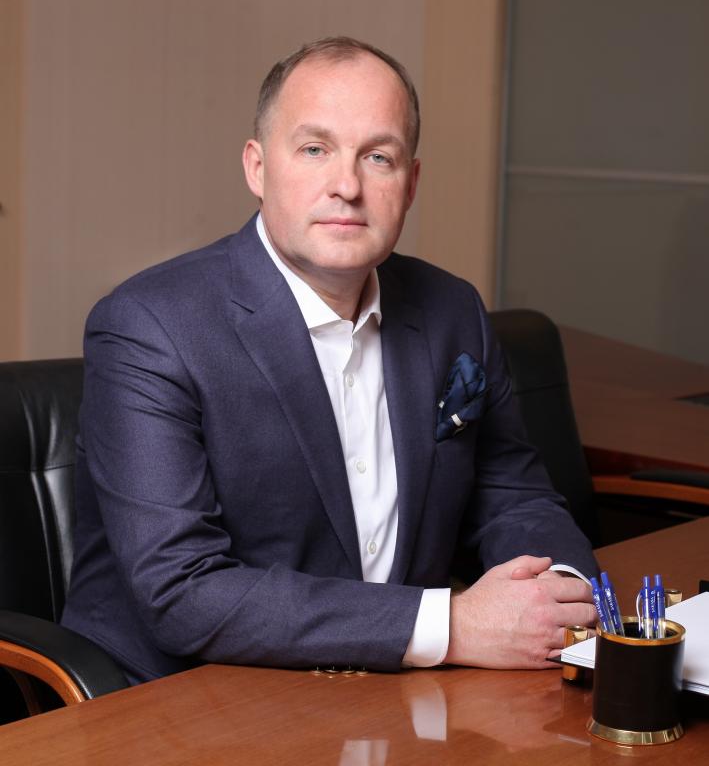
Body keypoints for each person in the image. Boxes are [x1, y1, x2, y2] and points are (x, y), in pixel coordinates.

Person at [61, 36, 598, 685]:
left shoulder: (451, 308)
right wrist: (453, 624)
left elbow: (512, 494)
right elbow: (182, 590)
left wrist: (559, 597)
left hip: (394, 691)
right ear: (257, 167)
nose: (347, 186)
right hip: (184, 696)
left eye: (378, 157)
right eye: (315, 149)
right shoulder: (150, 326)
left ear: (411, 183)